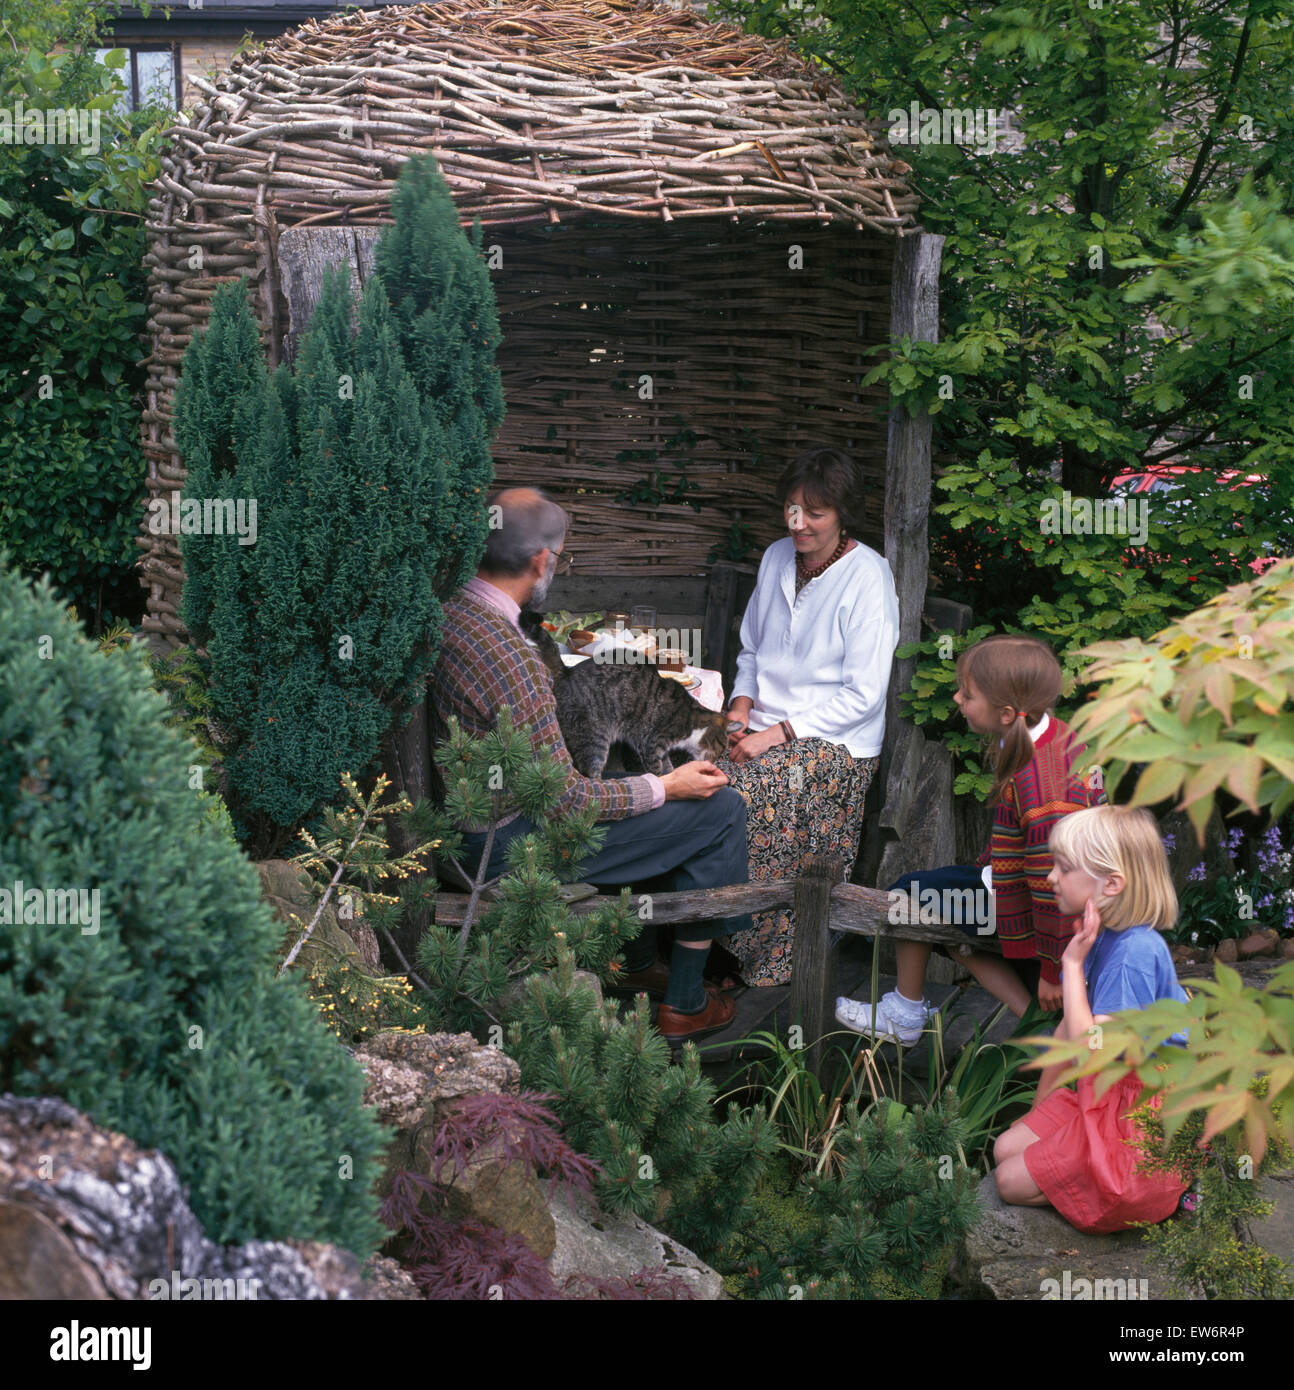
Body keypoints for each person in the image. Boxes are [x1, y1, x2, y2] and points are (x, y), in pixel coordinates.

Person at [429, 486, 750, 1043]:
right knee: (721, 808)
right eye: (560, 557)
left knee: (631, 772)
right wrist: (666, 786)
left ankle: (640, 961)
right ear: (539, 561)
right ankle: (686, 1003)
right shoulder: (514, 661)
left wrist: (647, 782)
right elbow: (570, 801)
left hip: (466, 825)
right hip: (505, 847)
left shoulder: (453, 610)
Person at [836, 634, 1103, 1044]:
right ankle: (1044, 1032)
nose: (958, 698)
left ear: (1008, 713)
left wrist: (1054, 970)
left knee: (911, 898)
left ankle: (905, 1014)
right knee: (948, 912)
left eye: (969, 694)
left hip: (1045, 911)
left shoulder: (1045, 788)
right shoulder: (1049, 736)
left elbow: (1054, 888)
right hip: (1016, 887)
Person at [713, 447, 899, 987]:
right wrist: (742, 706)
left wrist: (775, 735)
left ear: (843, 514)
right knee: (680, 777)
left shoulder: (868, 577)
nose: (799, 523)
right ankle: (698, 940)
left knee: (738, 797)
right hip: (762, 728)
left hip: (835, 744)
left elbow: (864, 695)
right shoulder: (776, 557)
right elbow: (751, 651)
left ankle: (758, 954)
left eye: (814, 512)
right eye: (791, 508)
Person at [992, 805, 1192, 1234]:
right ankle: (1070, 1167)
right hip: (1107, 1090)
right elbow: (1066, 1033)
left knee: (1009, 1181)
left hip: (1140, 1114)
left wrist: (1071, 966)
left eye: (1064, 868)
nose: (1050, 878)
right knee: (1005, 1147)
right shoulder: (1102, 934)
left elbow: (1091, 1051)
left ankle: (1148, 1189)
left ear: (1112, 883)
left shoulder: (1132, 956)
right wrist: (1038, 1113)